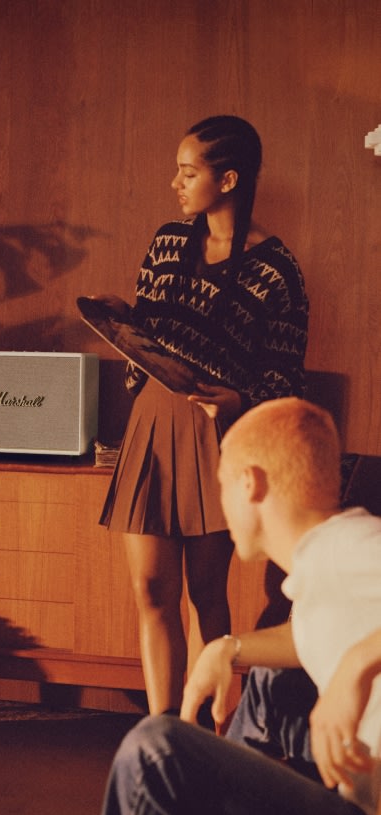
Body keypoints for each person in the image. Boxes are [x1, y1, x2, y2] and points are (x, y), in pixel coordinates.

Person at [81, 398, 381, 815]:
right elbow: (314, 632)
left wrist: (359, 665)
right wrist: (229, 648)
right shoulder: (329, 566)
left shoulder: (352, 548)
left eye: (220, 484)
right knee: (267, 684)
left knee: (155, 750)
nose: (219, 505)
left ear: (250, 484)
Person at [91, 115, 308, 715]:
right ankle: (164, 728)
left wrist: (241, 402)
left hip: (220, 436)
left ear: (229, 178)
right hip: (153, 426)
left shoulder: (277, 270)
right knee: (150, 590)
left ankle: (206, 731)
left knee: (207, 593)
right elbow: (150, 336)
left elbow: (286, 376)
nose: (176, 183)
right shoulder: (167, 241)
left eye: (189, 172)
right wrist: (121, 320)